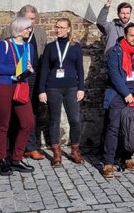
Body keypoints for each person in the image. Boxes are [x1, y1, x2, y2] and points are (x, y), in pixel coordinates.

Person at [0, 4, 49, 160]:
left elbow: (43, 55)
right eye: (28, 19)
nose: (31, 23)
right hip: (10, 80)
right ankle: (10, 149)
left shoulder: (40, 33)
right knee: (10, 116)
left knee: (30, 113)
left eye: (33, 19)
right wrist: (16, 70)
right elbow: (1, 59)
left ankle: (29, 147)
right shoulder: (8, 32)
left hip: (32, 77)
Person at [102, 22, 134, 177]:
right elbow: (115, 75)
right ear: (125, 35)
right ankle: (109, 162)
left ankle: (127, 157)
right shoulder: (114, 52)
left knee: (131, 127)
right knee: (114, 128)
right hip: (119, 93)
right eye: (131, 35)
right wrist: (126, 94)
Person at [0, 17, 36, 175]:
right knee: (3, 124)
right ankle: (2, 159)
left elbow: (29, 65)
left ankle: (16, 158)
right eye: (26, 28)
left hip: (21, 86)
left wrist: (28, 70)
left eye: (29, 28)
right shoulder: (4, 44)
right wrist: (17, 69)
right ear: (18, 29)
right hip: (4, 86)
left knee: (27, 122)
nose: (29, 31)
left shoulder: (28, 46)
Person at [38, 18, 85, 166]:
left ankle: (75, 150)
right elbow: (44, 69)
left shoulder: (76, 47)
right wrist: (41, 90)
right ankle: (56, 153)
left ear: (69, 29)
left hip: (71, 87)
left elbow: (80, 69)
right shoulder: (50, 47)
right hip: (53, 87)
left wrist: (81, 88)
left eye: (63, 27)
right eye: (57, 27)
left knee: (75, 120)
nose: (59, 30)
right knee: (54, 120)